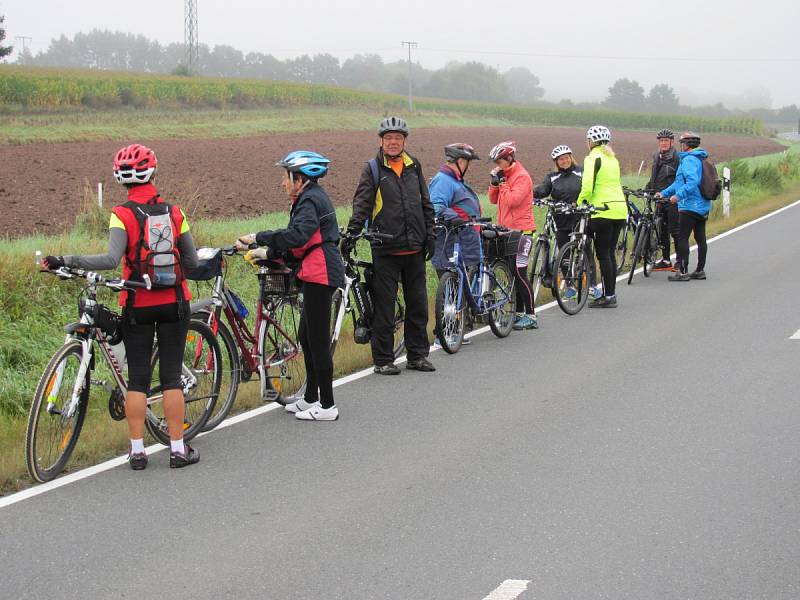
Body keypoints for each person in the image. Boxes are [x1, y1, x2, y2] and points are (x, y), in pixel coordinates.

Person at [43, 143, 200, 470]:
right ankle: (176, 449)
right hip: (174, 302)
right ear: (153, 172)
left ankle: (138, 452)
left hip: (137, 303)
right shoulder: (176, 212)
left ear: (121, 179)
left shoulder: (122, 214)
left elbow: (111, 259)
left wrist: (67, 260)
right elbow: (192, 261)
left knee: (138, 379)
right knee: (171, 376)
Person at [237, 151, 344, 420]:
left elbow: (298, 236)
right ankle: (310, 398)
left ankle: (328, 405)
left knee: (317, 341)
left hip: (321, 274)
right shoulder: (309, 198)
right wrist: (268, 252)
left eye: (285, 177)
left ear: (299, 178)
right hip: (314, 272)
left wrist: (257, 238)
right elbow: (300, 243)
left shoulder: (309, 200)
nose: (282, 183)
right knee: (306, 338)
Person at [345, 117, 436, 374]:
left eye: (397, 138)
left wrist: (430, 234)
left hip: (415, 248)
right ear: (381, 141)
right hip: (385, 248)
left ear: (404, 141)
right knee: (384, 308)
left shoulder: (413, 165)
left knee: (417, 304)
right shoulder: (373, 169)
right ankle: (383, 360)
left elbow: (425, 203)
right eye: (388, 138)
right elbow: (362, 203)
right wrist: (352, 232)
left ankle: (417, 356)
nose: (393, 142)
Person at [430, 143, 482, 345]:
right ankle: (443, 333)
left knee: (458, 287)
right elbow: (436, 206)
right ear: (461, 161)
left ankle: (455, 329)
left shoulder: (454, 180)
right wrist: (454, 217)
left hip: (463, 240)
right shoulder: (444, 181)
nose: (468, 165)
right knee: (450, 289)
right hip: (449, 242)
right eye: (468, 162)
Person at [533, 145, 601, 300]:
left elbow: (591, 188)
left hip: (581, 218)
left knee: (586, 252)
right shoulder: (552, 177)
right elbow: (544, 189)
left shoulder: (581, 172)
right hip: (561, 220)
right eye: (560, 159)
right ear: (556, 162)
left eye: (566, 157)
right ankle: (570, 286)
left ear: (571, 157)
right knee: (564, 253)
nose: (564, 161)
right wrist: (532, 194)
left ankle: (591, 286)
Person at [487, 140, 538, 330]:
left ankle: (531, 315)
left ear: (509, 158)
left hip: (522, 232)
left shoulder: (521, 177)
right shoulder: (506, 176)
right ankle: (518, 312)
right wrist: (495, 184)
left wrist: (502, 182)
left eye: (499, 162)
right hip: (506, 231)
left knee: (519, 272)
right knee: (511, 273)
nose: (497, 166)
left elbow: (512, 201)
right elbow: (494, 199)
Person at [577, 125, 627, 308]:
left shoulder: (592, 157)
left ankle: (608, 297)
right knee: (610, 253)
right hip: (619, 210)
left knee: (603, 253)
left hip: (602, 209)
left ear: (591, 141)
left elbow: (588, 184)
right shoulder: (612, 158)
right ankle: (610, 294)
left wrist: (580, 201)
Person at [657, 132, 711, 282]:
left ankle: (682, 271)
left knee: (682, 237)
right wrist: (664, 193)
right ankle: (700, 270)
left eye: (682, 143)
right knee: (700, 238)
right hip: (702, 205)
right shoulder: (701, 158)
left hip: (690, 205)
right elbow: (679, 182)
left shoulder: (689, 160)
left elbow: (691, 182)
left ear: (686, 145)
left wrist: (677, 196)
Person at [646, 128, 681, 270]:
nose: (663, 143)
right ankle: (666, 260)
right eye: (661, 141)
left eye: (666, 141)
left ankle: (680, 260)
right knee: (662, 230)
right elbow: (655, 176)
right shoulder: (657, 156)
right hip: (659, 198)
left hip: (671, 200)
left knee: (675, 230)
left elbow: (680, 179)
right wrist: (648, 188)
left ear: (672, 142)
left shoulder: (677, 158)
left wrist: (674, 195)